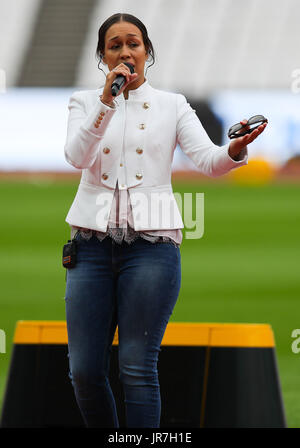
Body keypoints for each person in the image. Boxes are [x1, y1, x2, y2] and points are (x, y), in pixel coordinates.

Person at [63, 13, 267, 428]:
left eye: (133, 43)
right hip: (90, 247)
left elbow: (208, 160)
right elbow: (76, 157)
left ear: (147, 51)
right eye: (115, 45)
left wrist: (234, 150)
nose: (125, 52)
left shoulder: (171, 104)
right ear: (102, 56)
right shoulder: (85, 102)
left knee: (137, 368)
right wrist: (106, 102)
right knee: (84, 371)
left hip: (151, 249)